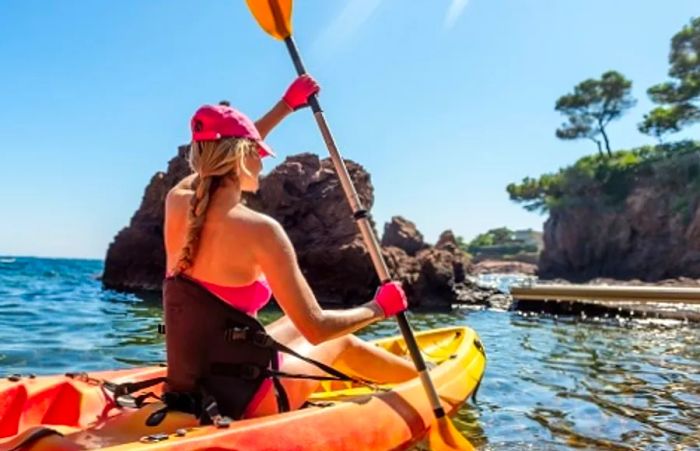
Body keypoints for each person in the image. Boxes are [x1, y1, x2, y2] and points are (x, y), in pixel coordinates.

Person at [163, 75, 416, 419]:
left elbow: (222, 158)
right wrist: (379, 307)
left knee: (290, 323)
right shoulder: (261, 230)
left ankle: (411, 375)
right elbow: (318, 328)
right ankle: (425, 382)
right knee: (339, 341)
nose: (264, 162)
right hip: (242, 401)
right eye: (259, 154)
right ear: (244, 155)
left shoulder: (175, 204)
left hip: (189, 386)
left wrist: (285, 106)